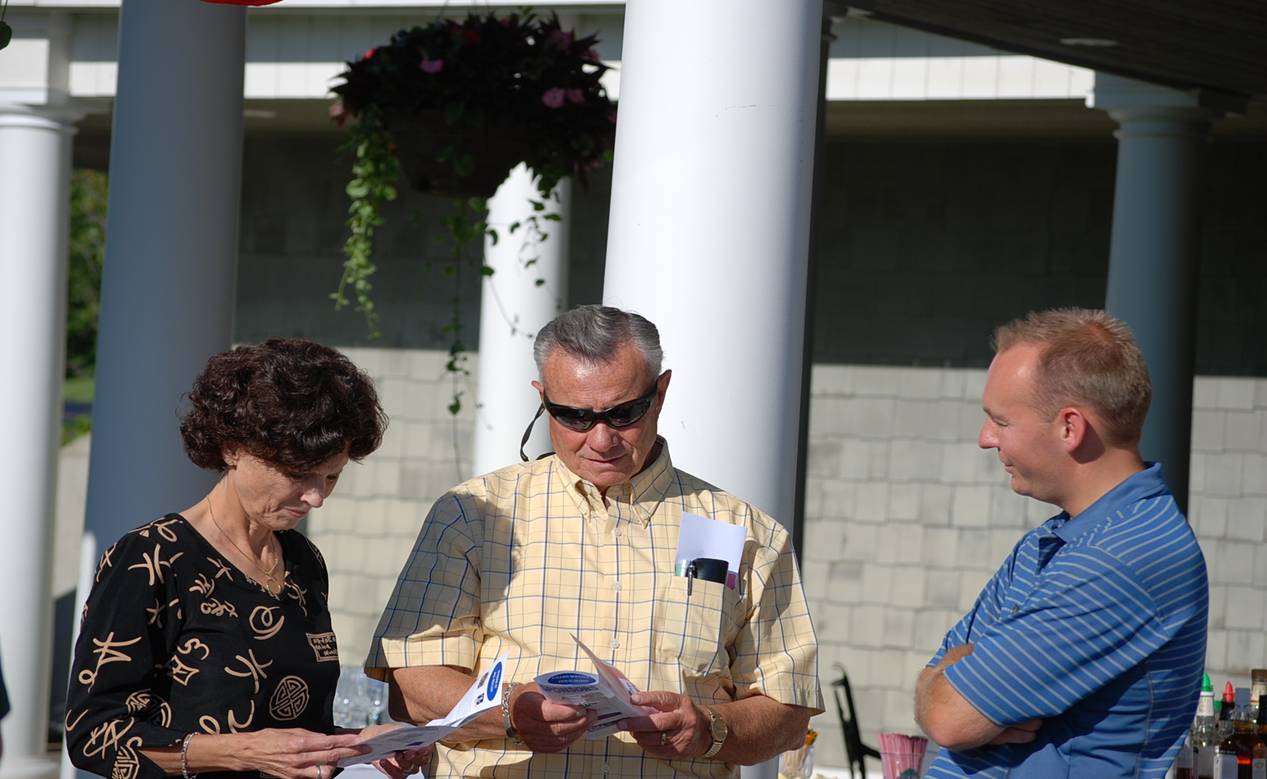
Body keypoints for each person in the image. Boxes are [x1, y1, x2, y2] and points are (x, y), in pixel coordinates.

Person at [365, 305, 823, 778]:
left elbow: (788, 710)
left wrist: (710, 728)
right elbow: (411, 687)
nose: (601, 440)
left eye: (624, 414)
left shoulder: (735, 532)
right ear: (542, 400)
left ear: (661, 394)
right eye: (574, 417)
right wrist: (510, 713)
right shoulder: (474, 515)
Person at [66, 338, 428, 779]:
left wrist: (356, 744)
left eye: (331, 476)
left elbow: (287, 733)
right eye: (297, 473)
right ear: (233, 448)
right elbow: (93, 734)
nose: (316, 497)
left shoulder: (302, 561)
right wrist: (241, 752)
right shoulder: (152, 558)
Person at [915, 309, 1208, 778]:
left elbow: (950, 718)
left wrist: (958, 679)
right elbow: (938, 686)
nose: (985, 438)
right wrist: (950, 677)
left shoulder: (1123, 557)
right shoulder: (1053, 540)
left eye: (1001, 421)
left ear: (1070, 427)